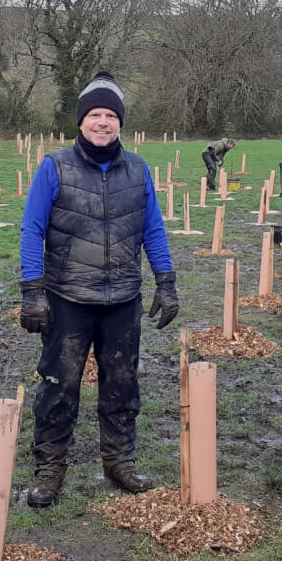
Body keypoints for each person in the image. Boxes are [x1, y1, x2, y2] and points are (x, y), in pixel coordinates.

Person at [19, 72, 179, 508]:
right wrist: (32, 291)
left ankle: (119, 462)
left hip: (122, 300)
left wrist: (166, 282)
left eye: (111, 115)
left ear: (121, 123)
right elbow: (32, 230)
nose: (103, 122)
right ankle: (50, 469)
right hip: (67, 298)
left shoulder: (139, 169)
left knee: (122, 386)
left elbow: (153, 229)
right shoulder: (54, 167)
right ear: (80, 122)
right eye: (95, 115)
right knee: (58, 386)